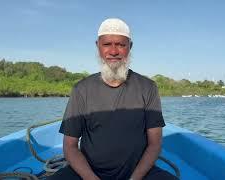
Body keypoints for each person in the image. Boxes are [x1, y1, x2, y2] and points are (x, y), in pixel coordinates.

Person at [48, 18, 178, 180]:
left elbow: (154, 144)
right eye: (107, 44)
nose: (114, 51)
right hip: (90, 172)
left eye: (121, 45)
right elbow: (70, 146)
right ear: (98, 46)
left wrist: (134, 179)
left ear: (129, 47)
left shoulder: (148, 87)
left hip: (137, 174)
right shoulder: (81, 89)